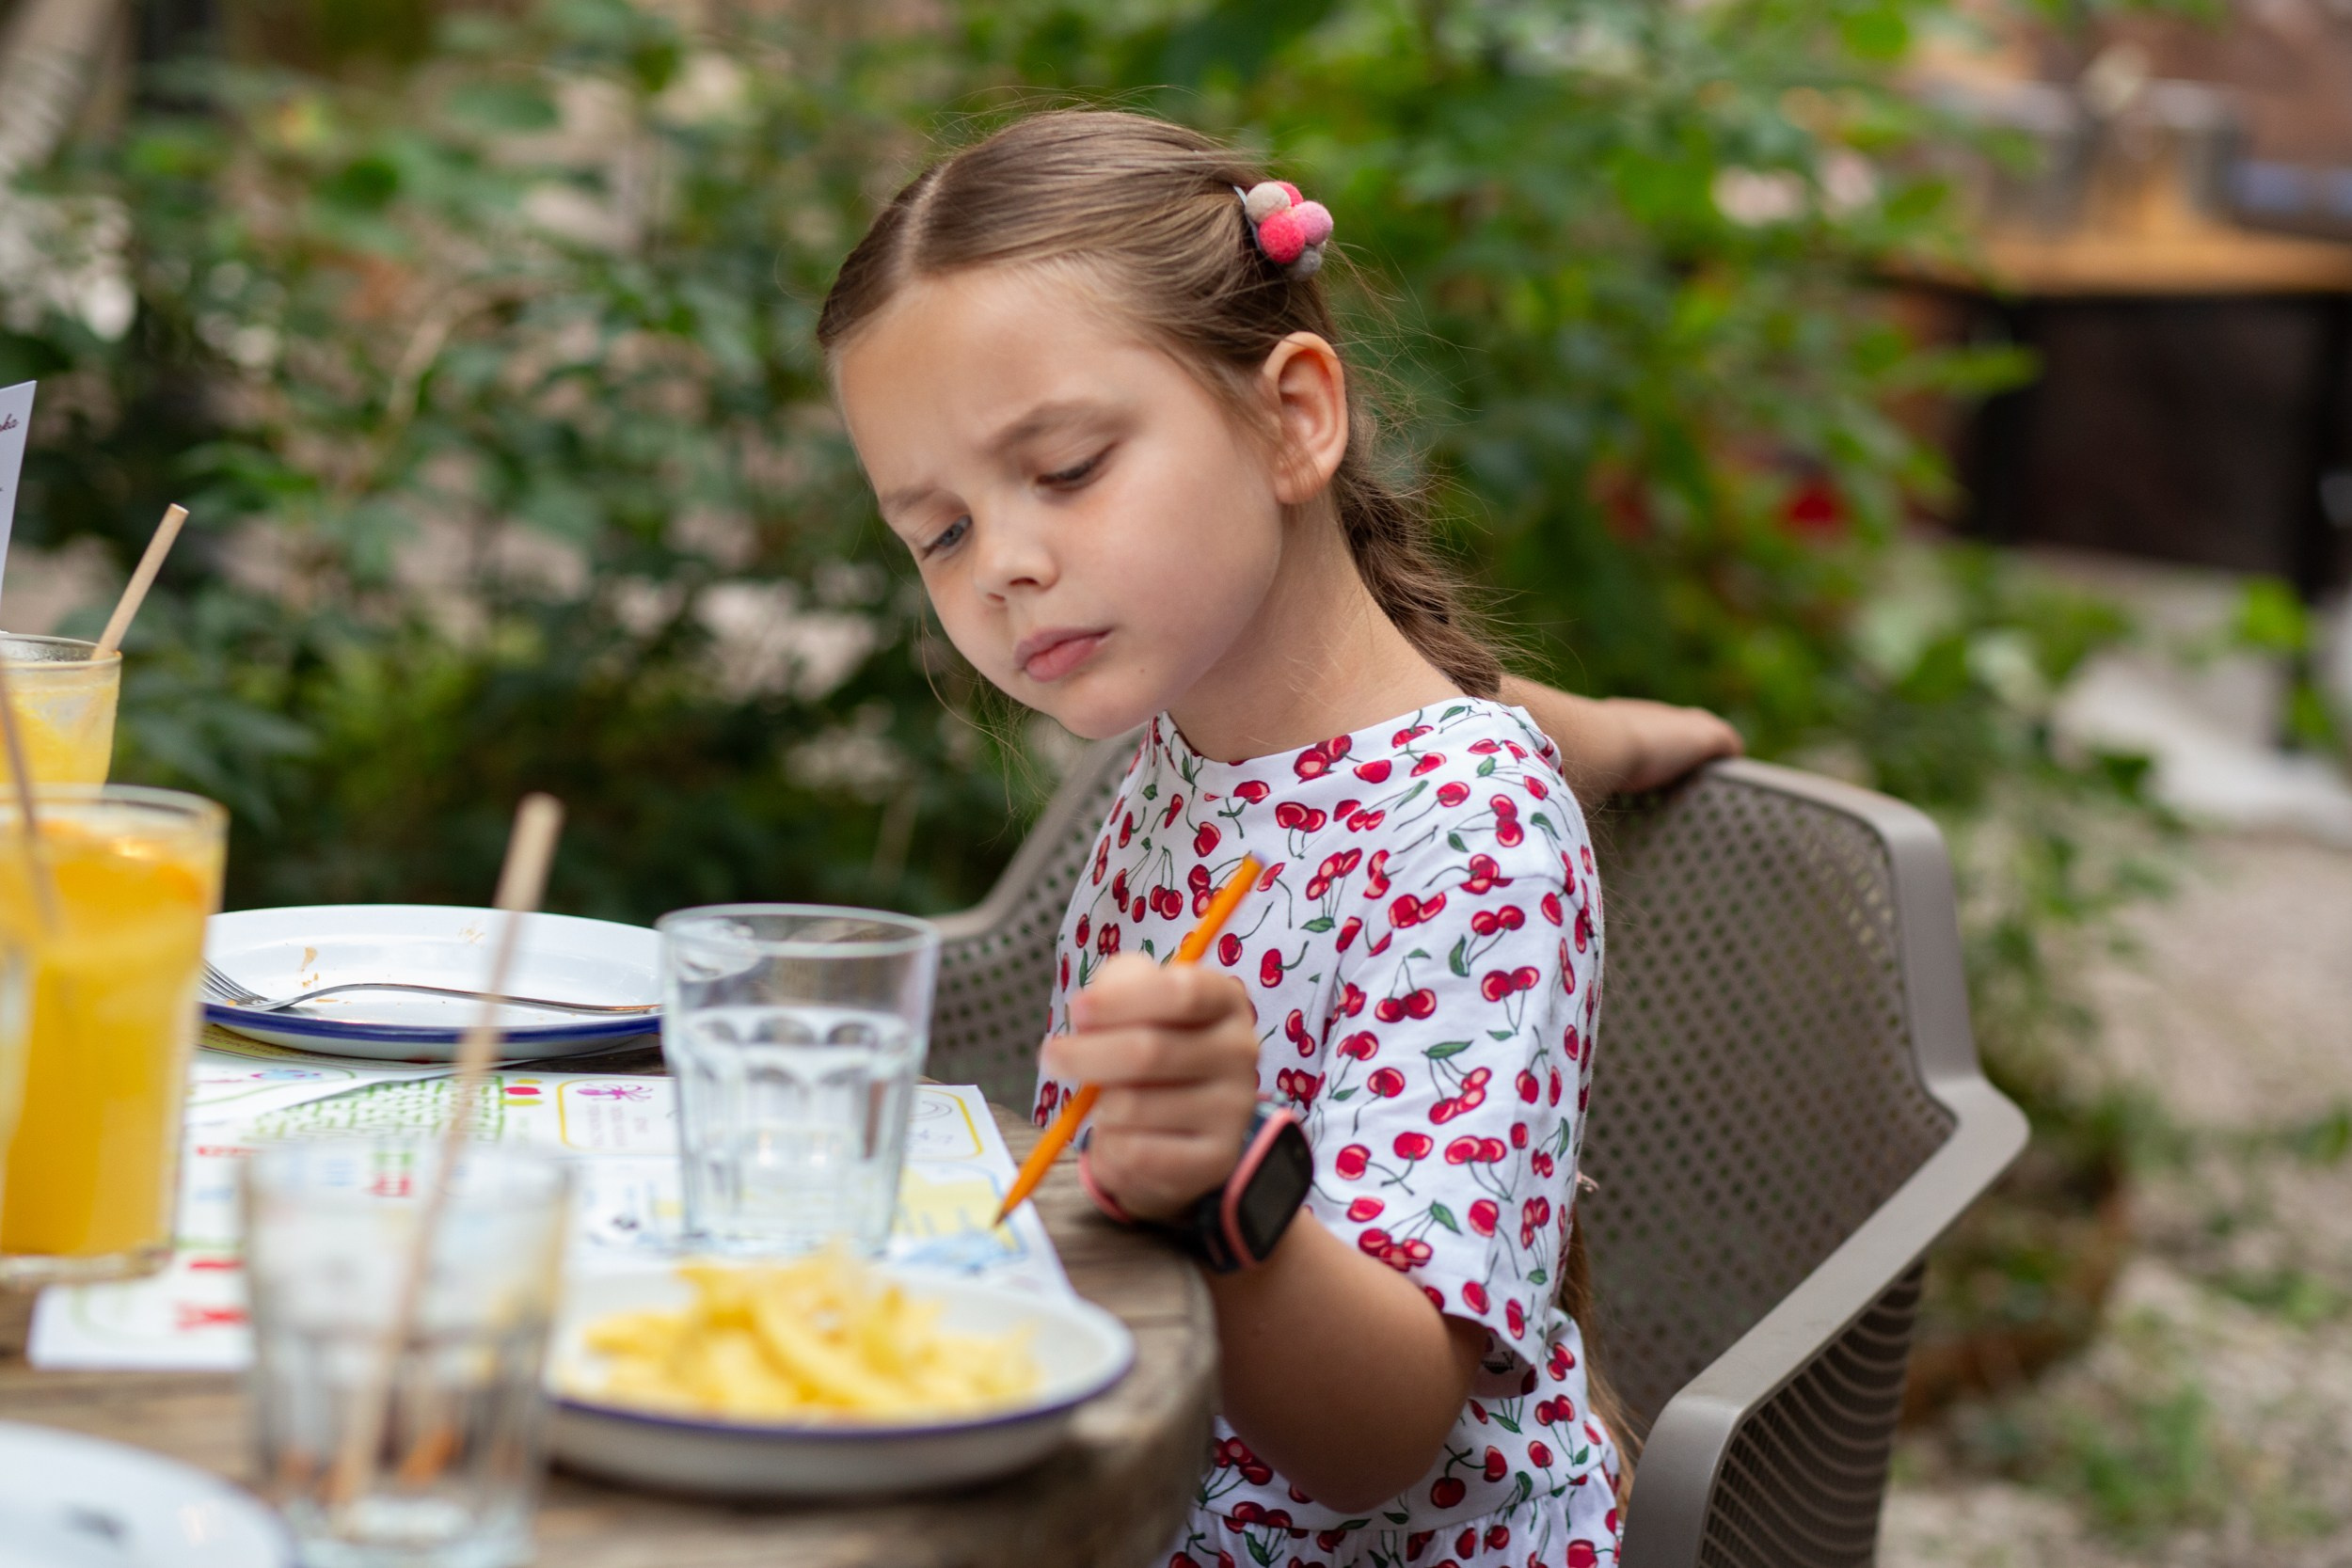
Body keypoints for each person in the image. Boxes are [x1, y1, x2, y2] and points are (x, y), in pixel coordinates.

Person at [818, 109, 1734, 1568]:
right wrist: (1619, 731)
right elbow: (1461, 711)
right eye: (935, 531)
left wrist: (1223, 1189)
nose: (1004, 566)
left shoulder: (1474, 835)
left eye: (1063, 469)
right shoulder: (1206, 728)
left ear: (1295, 419)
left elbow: (1375, 1448)